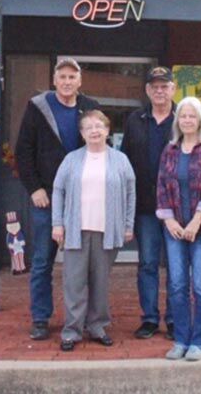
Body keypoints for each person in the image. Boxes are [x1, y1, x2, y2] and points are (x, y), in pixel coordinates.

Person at [15, 58, 99, 341]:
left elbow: (101, 147)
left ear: (80, 81)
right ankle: (40, 318)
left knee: (85, 264)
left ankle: (85, 319)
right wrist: (34, 188)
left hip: (83, 198)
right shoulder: (38, 107)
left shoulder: (90, 106)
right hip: (46, 199)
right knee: (42, 262)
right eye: (62, 76)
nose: (66, 82)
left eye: (71, 77)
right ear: (54, 80)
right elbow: (23, 151)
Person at [51, 110, 136, 351]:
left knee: (100, 282)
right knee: (74, 283)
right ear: (82, 133)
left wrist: (128, 225)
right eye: (88, 127)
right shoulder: (71, 159)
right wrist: (58, 223)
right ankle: (72, 330)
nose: (94, 131)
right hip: (76, 231)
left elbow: (131, 194)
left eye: (99, 126)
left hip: (107, 231)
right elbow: (58, 190)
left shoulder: (121, 160)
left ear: (108, 131)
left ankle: (97, 326)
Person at [155, 96, 201, 361]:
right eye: (182, 116)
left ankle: (200, 341)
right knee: (176, 285)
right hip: (174, 230)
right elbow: (161, 186)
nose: (186, 120)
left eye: (191, 116)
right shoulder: (170, 150)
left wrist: (196, 221)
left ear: (200, 120)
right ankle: (181, 339)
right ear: (177, 120)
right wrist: (170, 220)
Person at [121, 66, 176, 340]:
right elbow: (124, 161)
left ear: (173, 89)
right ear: (147, 90)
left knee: (177, 265)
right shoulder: (135, 120)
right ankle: (150, 319)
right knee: (148, 264)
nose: (159, 90)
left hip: (178, 209)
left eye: (164, 85)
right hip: (145, 207)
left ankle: (175, 319)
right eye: (154, 86)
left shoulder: (184, 119)